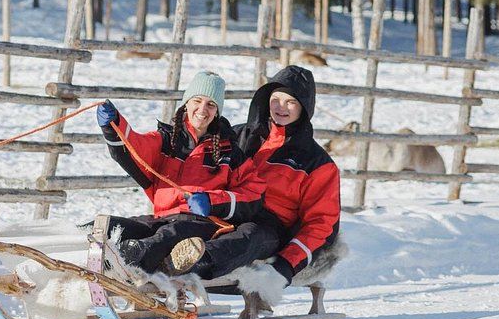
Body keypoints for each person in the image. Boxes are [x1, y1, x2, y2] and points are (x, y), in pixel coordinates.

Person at [164, 64, 341, 298]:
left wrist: (286, 265)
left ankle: (192, 262)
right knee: (182, 225)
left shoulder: (317, 163)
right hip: (225, 214)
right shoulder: (240, 136)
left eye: (291, 102)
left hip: (271, 234)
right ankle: (142, 255)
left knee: (249, 235)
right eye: (276, 99)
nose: (281, 107)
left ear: (304, 108)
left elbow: (321, 224)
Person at [97, 71, 250, 275]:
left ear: (217, 112)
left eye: (211, 104)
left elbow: (252, 194)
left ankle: (126, 266)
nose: (202, 109)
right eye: (197, 101)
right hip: (162, 218)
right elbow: (136, 148)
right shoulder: (166, 140)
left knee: (169, 235)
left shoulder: (229, 152)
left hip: (203, 225)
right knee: (111, 227)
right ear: (186, 103)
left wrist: (212, 202)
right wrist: (113, 124)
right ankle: (78, 262)